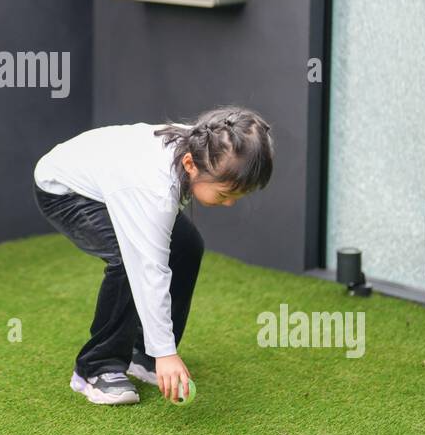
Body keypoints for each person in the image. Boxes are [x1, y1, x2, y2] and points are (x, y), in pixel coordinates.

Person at [32, 105, 274, 405]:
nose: (228, 205)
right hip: (65, 191)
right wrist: (167, 353)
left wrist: (159, 350)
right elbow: (149, 269)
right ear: (190, 164)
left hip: (115, 184)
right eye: (224, 195)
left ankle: (142, 353)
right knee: (126, 259)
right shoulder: (154, 190)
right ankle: (95, 368)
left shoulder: (206, 146)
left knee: (187, 246)